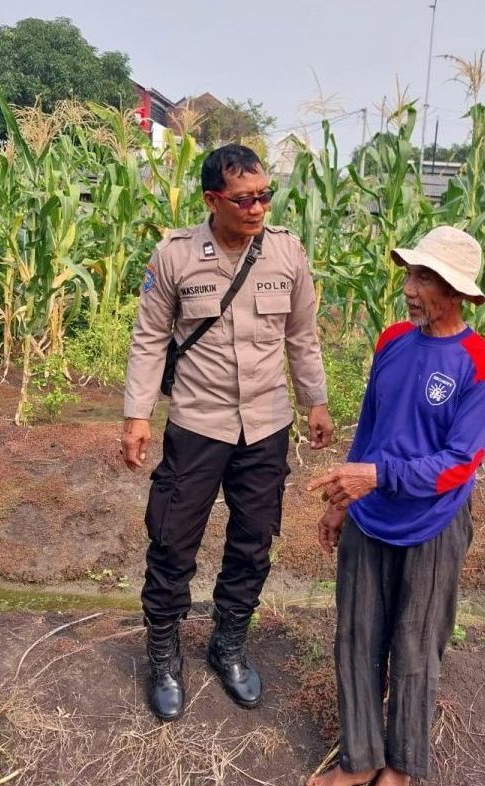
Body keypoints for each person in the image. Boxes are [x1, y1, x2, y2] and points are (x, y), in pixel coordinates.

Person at [121, 143, 333, 721]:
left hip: (266, 424)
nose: (258, 207)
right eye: (244, 199)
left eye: (265, 195)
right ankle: (163, 654)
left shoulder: (287, 251)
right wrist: (137, 415)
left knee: (253, 540)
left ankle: (229, 643)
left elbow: (302, 335)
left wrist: (315, 401)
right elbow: (149, 339)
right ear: (212, 199)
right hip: (198, 422)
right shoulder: (175, 256)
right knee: (171, 539)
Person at [302, 226, 485, 786]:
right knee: (356, 636)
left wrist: (376, 477)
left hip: (432, 525)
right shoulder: (392, 341)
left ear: (457, 292)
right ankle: (359, 758)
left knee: (415, 645)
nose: (409, 289)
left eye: (425, 279)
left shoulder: (482, 366)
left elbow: (457, 464)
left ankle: (401, 768)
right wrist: (344, 500)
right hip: (370, 515)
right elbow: (372, 426)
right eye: (410, 275)